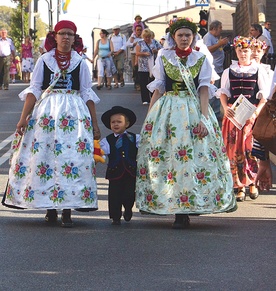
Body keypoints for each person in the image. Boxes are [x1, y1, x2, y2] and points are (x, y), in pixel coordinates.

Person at [135, 18, 237, 229]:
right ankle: (171, 204)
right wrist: (149, 117)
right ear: (173, 37)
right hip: (169, 110)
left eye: (187, 35)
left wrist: (203, 118)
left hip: (192, 109)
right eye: (180, 35)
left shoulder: (201, 58)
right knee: (170, 158)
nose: (183, 39)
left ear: (193, 37)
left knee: (192, 159)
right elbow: (158, 88)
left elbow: (203, 90)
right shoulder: (163, 57)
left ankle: (187, 207)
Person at [1, 20, 101, 228]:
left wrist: (95, 121)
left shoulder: (80, 62)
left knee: (71, 158)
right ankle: (49, 208)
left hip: (74, 115)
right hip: (47, 114)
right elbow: (35, 88)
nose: (66, 37)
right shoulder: (44, 60)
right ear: (54, 37)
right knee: (45, 158)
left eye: (70, 34)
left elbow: (86, 92)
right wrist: (23, 118)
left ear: (75, 38)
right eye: (62, 33)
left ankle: (67, 210)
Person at [218, 36, 269, 202]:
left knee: (251, 150)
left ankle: (252, 183)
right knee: (235, 151)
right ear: (236, 51)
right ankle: (239, 185)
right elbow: (224, 93)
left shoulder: (258, 70)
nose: (243, 54)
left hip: (251, 115)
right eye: (240, 51)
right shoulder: (228, 71)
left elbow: (264, 96)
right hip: (234, 116)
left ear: (250, 51)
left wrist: (256, 112)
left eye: (246, 51)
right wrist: (226, 109)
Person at [100, 106, 140, 225]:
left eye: (119, 122)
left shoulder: (135, 138)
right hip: (114, 172)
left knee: (129, 193)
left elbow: (144, 149)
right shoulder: (107, 140)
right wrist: (96, 160)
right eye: (113, 122)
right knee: (114, 195)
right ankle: (115, 216)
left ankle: (128, 208)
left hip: (130, 171)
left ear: (126, 124)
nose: (116, 124)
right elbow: (102, 153)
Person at [203, 20, 229, 124]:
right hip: (213, 69)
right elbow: (208, 49)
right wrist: (220, 44)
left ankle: (216, 113)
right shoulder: (208, 37)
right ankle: (210, 113)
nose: (221, 30)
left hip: (219, 68)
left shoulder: (215, 38)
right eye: (220, 28)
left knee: (218, 92)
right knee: (213, 93)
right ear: (214, 28)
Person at [136, 28, 159, 105]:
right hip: (143, 66)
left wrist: (156, 51)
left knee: (153, 82)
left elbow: (161, 49)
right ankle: (145, 99)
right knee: (144, 83)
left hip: (153, 65)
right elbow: (137, 53)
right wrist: (144, 54)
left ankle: (153, 97)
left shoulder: (155, 42)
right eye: (146, 37)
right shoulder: (139, 43)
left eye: (149, 37)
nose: (147, 38)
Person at [126, 24, 143, 91]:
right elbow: (127, 44)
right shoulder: (133, 37)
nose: (139, 31)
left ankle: (141, 84)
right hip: (134, 54)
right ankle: (137, 84)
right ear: (135, 31)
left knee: (141, 70)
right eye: (137, 30)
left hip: (142, 55)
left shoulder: (143, 37)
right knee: (135, 69)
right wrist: (133, 44)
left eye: (140, 30)